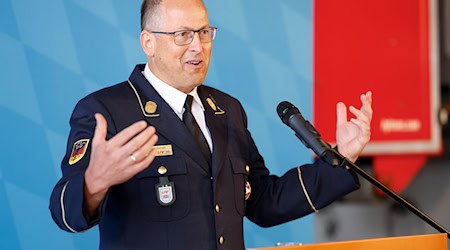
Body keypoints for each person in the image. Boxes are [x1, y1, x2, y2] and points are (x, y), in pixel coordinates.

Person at [49, 0, 373, 249]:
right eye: (182, 35)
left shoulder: (227, 110)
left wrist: (341, 157)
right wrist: (93, 183)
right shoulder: (107, 111)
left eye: (204, 33)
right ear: (148, 42)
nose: (197, 46)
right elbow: (64, 212)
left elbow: (264, 201)